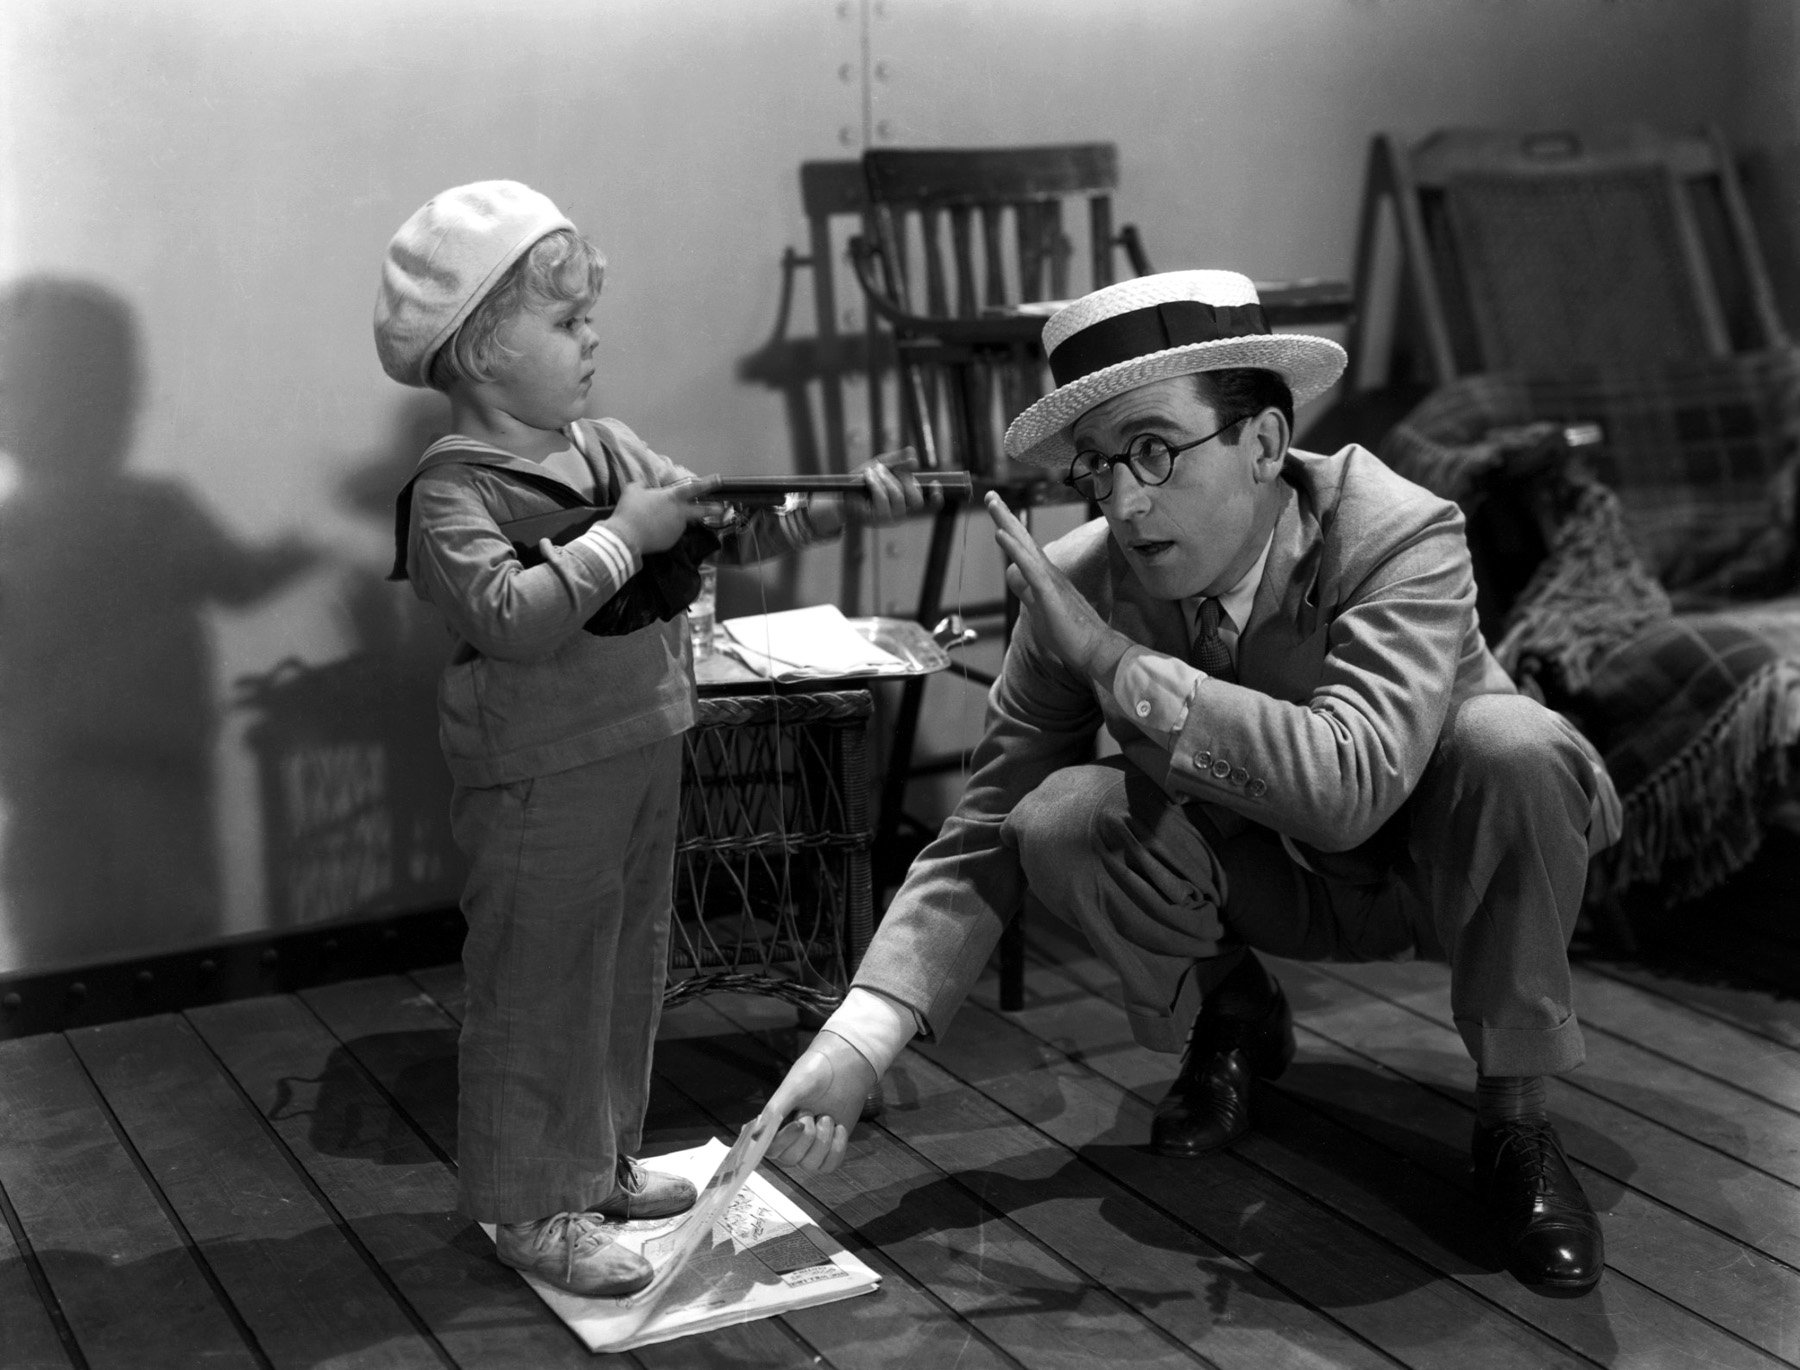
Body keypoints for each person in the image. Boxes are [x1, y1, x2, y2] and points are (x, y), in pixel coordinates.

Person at [765, 269, 1621, 1297]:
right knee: (1060, 818)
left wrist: (1116, 664)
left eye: (1155, 450)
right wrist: (857, 1042)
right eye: (1099, 465)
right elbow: (987, 822)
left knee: (1514, 743)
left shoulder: (1395, 529)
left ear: (1263, 443)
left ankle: (1516, 1116)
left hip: (1439, 872)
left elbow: (1351, 784)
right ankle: (1236, 1011)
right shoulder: (1082, 579)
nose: (1126, 502)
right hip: (1262, 876)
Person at [373, 180, 926, 1298]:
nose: (592, 340)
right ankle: (531, 1207)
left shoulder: (608, 446)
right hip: (538, 774)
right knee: (539, 985)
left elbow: (720, 527)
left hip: (640, 739)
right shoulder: (451, 493)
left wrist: (839, 505)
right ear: (479, 350)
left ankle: (597, 1165)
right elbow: (511, 618)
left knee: (628, 969)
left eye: (589, 318)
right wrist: (625, 537)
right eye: (566, 322)